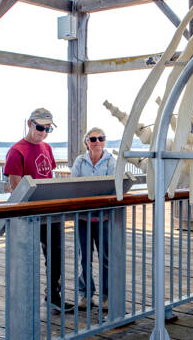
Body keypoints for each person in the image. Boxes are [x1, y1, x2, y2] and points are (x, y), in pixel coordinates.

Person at [4, 108, 73, 312]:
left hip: (49, 212)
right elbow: (15, 187)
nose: (43, 132)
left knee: (55, 256)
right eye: (40, 127)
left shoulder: (47, 148)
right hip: (28, 215)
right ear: (29, 124)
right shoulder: (17, 151)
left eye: (48, 129)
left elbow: (48, 177)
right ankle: (23, 302)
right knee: (26, 259)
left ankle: (53, 296)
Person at [71, 127, 115, 310]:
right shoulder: (79, 161)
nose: (97, 142)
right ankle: (85, 294)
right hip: (83, 218)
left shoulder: (111, 161)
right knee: (84, 258)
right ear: (86, 142)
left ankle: (106, 296)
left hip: (104, 218)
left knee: (105, 258)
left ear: (105, 141)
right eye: (93, 139)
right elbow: (73, 185)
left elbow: (113, 185)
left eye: (101, 138)